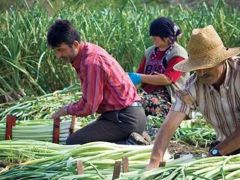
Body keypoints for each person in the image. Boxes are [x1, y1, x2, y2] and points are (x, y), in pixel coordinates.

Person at [147, 25, 240, 170]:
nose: (201, 72)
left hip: (224, 149)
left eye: (207, 65)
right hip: (228, 150)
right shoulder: (193, 86)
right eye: (197, 67)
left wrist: (217, 152)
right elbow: (168, 125)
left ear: (222, 60)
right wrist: (154, 161)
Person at [47, 19, 149, 145]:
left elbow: (89, 107)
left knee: (74, 142)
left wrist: (67, 109)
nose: (58, 55)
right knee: (85, 136)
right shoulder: (87, 52)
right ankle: (130, 138)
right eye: (56, 51)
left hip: (125, 119)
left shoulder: (91, 62)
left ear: (75, 44)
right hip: (121, 116)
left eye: (61, 50)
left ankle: (130, 142)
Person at [128, 17, 189, 118]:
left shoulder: (178, 53)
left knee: (139, 104)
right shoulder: (149, 52)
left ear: (166, 36)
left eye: (155, 37)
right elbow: (140, 72)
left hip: (170, 99)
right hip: (147, 93)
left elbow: (168, 79)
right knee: (126, 100)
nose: (153, 39)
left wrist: (140, 77)